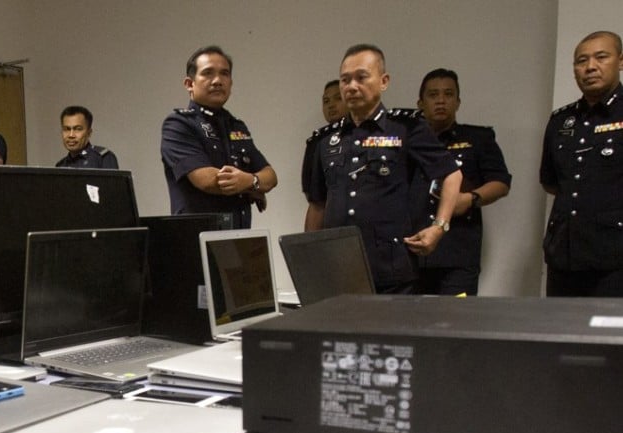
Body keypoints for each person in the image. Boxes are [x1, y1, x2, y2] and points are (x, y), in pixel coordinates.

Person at [305, 44, 462, 294]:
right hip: (339, 267)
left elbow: (451, 174)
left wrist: (439, 227)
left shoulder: (406, 128)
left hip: (391, 267)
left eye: (361, 77)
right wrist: (310, 259)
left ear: (384, 81)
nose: (352, 86)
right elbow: (317, 205)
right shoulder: (325, 140)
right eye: (345, 80)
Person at [414, 68, 512, 295]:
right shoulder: (408, 142)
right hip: (413, 248)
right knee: (410, 323)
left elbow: (501, 183)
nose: (441, 101)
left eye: (448, 94)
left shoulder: (478, 139)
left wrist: (469, 199)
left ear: (458, 102)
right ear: (420, 102)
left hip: (458, 250)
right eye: (433, 95)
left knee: (455, 322)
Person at [540, 30, 623, 297]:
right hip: (565, 254)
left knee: (610, 336)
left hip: (615, 257)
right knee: (560, 334)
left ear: (620, 61)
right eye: (581, 61)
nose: (590, 67)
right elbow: (551, 182)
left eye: (601, 57)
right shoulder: (560, 120)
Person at [161, 45, 277, 229]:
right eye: (208, 73)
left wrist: (250, 181)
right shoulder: (179, 124)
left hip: (239, 236)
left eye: (224, 73)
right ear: (189, 84)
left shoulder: (236, 125)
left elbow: (270, 176)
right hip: (197, 237)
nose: (217, 80)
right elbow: (206, 180)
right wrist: (253, 187)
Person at [301, 80, 347, 205]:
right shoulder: (317, 141)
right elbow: (310, 191)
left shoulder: (363, 134)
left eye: (338, 98)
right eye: (326, 101)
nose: (331, 105)